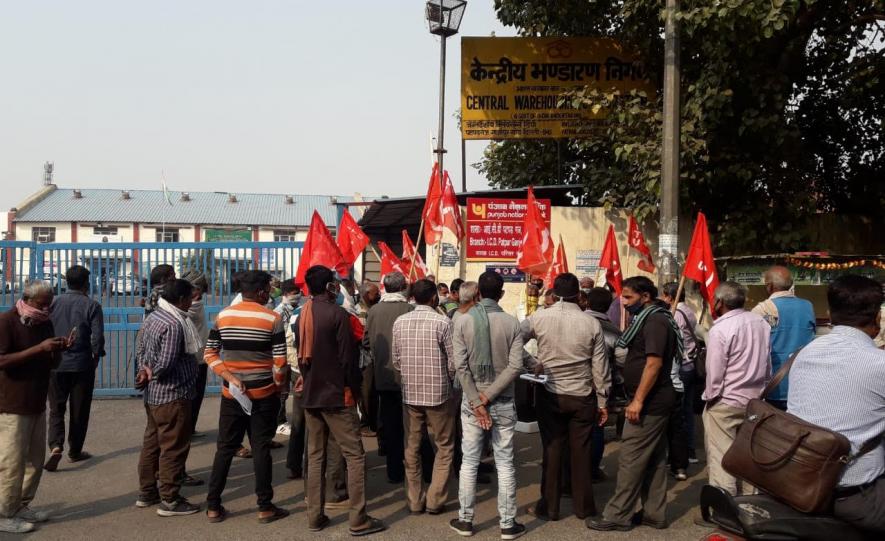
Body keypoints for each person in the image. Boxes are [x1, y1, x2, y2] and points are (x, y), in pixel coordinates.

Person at [788, 275, 885, 534]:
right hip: (855, 497)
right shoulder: (879, 363)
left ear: (830, 314)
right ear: (877, 318)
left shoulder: (803, 354)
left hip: (797, 482)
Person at [296, 265, 386, 536]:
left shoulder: (304, 313)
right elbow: (348, 360)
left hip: (312, 394)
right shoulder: (338, 314)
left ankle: (315, 516)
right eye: (333, 283)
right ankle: (358, 519)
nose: (336, 286)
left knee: (315, 456)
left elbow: (302, 355)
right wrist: (355, 391)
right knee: (355, 457)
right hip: (337, 393)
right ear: (328, 287)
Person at [589, 276, 680, 532]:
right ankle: (654, 513)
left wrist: (638, 400)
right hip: (654, 400)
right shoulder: (649, 319)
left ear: (646, 297)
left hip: (651, 402)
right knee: (653, 459)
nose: (624, 302)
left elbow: (654, 363)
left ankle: (618, 514)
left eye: (628, 297)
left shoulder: (654, 321)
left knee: (630, 457)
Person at [522, 273, 610, 522]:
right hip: (582, 394)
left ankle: (549, 508)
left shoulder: (539, 317)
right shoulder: (591, 323)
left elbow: (513, 341)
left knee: (552, 449)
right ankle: (584, 508)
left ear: (553, 292)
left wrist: (533, 363)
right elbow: (600, 367)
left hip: (550, 392)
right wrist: (603, 401)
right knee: (581, 452)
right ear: (579, 296)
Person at [205, 270, 289, 524]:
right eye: (268, 289)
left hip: (232, 395)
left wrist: (230, 377)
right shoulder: (273, 319)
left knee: (225, 448)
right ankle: (265, 507)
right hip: (264, 395)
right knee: (261, 448)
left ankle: (213, 506)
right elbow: (280, 362)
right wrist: (278, 387)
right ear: (262, 291)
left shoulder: (222, 316)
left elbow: (210, 354)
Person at [450, 271, 528, 539]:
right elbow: (516, 365)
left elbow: (460, 367)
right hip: (503, 399)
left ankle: (465, 520)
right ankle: (507, 523)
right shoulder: (512, 323)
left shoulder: (462, 321)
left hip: (472, 401)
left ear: (478, 293)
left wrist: (478, 400)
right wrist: (489, 395)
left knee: (469, 462)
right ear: (502, 294)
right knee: (505, 463)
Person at [0, 281, 68, 534]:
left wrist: (59, 350)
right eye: (42, 304)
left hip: (37, 402)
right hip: (12, 404)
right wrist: (38, 348)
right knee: (11, 462)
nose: (47, 308)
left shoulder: (43, 323)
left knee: (34, 461)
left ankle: (21, 505)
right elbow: (2, 360)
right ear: (27, 299)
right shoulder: (7, 322)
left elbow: (50, 362)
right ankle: (5, 512)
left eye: (50, 303)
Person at [134, 279, 201, 517]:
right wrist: (153, 372)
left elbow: (141, 349)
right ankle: (170, 499)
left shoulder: (155, 316)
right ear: (182, 299)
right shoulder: (174, 323)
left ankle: (147, 492)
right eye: (191, 297)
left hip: (154, 395)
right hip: (173, 393)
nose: (193, 301)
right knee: (173, 447)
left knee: (152, 443)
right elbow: (167, 361)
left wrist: (144, 370)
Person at [700, 281, 771, 500]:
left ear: (719, 302)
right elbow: (767, 361)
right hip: (755, 398)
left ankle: (724, 505)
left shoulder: (720, 328)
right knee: (748, 454)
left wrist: (711, 398)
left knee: (721, 454)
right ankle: (751, 501)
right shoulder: (761, 322)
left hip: (727, 400)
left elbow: (715, 370)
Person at [392, 279, 456, 515]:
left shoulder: (400, 322)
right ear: (433, 298)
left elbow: (396, 361)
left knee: (412, 447)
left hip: (410, 394)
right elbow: (453, 362)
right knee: (445, 446)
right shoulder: (443, 322)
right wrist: (446, 379)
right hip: (439, 393)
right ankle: (435, 500)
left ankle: (415, 500)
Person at [45, 265, 104, 472]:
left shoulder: (52, 303)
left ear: (67, 282)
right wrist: (96, 357)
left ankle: (55, 446)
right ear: (86, 284)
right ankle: (75, 450)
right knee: (79, 409)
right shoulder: (92, 305)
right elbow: (97, 337)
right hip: (81, 365)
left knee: (56, 408)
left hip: (56, 364)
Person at [363, 272, 414, 483]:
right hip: (410, 376)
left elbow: (366, 342)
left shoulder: (374, 311)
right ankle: (414, 468)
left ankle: (394, 470)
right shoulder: (410, 309)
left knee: (391, 423)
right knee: (412, 426)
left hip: (384, 375)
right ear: (403, 287)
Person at [751, 266, 815, 411]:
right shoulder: (808, 306)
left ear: (769, 286)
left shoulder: (761, 309)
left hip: (774, 386)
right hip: (804, 384)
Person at [584, 287, 626, 481]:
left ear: (586, 302)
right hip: (600, 388)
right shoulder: (615, 332)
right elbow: (622, 362)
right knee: (597, 427)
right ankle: (591, 469)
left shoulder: (577, 323)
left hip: (570, 387)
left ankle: (574, 471)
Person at [660, 282, 701, 466]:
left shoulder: (676, 313)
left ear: (669, 296)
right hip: (690, 366)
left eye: (663, 295)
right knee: (688, 411)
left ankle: (681, 454)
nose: (662, 299)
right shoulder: (689, 311)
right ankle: (689, 450)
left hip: (681, 367)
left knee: (680, 414)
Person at [274, 279, 301, 433]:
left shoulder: (295, 308)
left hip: (295, 356)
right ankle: (280, 422)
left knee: (296, 389)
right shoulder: (279, 312)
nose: (297, 295)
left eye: (298, 292)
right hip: (284, 355)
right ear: (285, 294)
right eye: (294, 293)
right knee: (282, 391)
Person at [357, 281, 380, 437]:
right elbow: (363, 337)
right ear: (366, 295)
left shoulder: (373, 309)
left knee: (373, 393)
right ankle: (365, 424)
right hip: (364, 358)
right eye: (375, 293)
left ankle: (372, 422)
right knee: (366, 392)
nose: (378, 295)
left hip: (375, 357)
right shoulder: (360, 311)